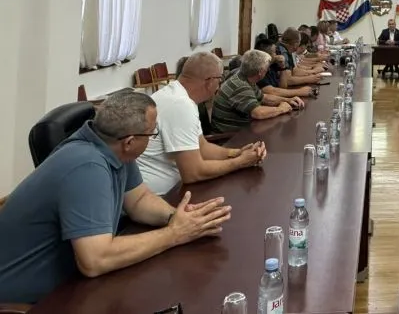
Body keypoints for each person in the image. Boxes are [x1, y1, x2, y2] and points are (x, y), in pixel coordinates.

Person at [0, 91, 231, 303]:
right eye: (152, 134)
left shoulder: (111, 146)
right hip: (26, 301)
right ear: (130, 141)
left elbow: (139, 200)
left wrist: (176, 217)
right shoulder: (86, 167)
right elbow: (95, 260)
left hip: (71, 284)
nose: (153, 138)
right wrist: (174, 234)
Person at [137, 52, 268, 195]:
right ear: (210, 81)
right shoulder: (180, 105)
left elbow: (202, 147)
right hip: (163, 195)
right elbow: (193, 173)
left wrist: (237, 153)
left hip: (174, 186)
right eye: (220, 80)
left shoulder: (178, 95)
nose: (219, 86)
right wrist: (240, 162)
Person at [211, 50, 300, 133]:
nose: (268, 70)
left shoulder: (244, 77)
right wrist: (281, 109)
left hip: (239, 131)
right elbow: (258, 113)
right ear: (260, 72)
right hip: (229, 137)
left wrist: (288, 100)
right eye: (267, 69)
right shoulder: (241, 86)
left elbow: (264, 98)